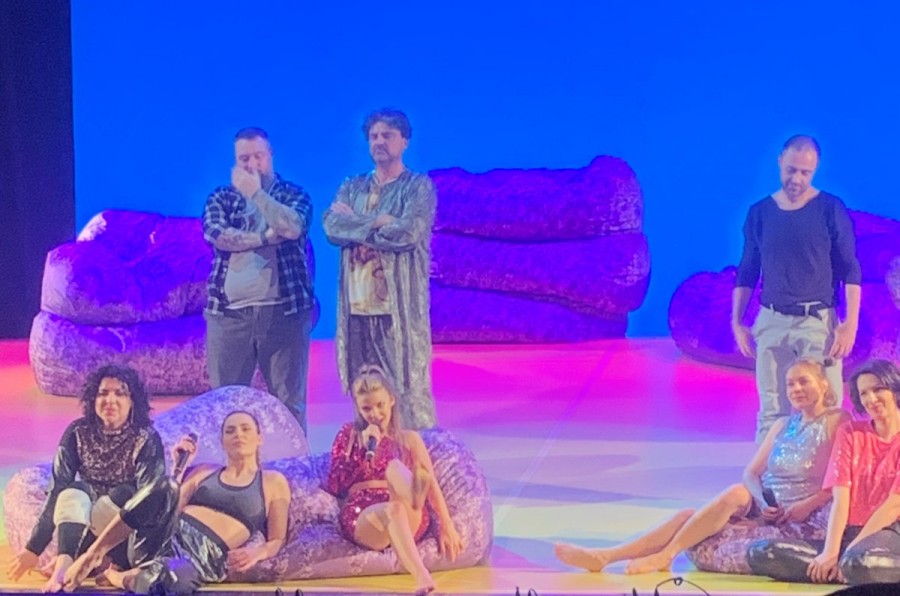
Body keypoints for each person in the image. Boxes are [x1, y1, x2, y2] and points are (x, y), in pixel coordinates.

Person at [555, 359, 848, 574]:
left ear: (824, 384)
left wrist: (808, 504)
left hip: (802, 516)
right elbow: (751, 473)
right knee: (715, 502)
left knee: (708, 512)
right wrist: (761, 501)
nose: (796, 389)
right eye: (790, 384)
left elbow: (843, 478)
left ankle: (663, 555)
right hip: (768, 508)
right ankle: (607, 556)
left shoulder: (837, 420)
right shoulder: (782, 425)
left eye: (804, 382)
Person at [60, 410, 290, 595]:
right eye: (230, 430)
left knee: (175, 582)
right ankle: (93, 554)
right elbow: (168, 504)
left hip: (199, 557)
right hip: (164, 536)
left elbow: (277, 539)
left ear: (259, 438)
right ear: (222, 441)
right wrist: (178, 466)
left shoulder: (273, 481)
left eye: (245, 428)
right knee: (163, 486)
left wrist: (258, 553)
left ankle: (119, 576)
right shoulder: (204, 471)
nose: (238, 434)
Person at [731, 135, 861, 443]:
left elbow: (850, 268)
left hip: (816, 321)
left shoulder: (829, 209)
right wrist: (737, 322)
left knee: (825, 405)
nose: (797, 179)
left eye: (805, 172)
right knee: (771, 407)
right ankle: (768, 471)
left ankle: (826, 471)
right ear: (780, 161)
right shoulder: (760, 213)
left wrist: (850, 323)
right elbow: (747, 270)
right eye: (791, 170)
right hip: (772, 320)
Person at [323, 109, 437, 430]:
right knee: (365, 390)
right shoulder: (353, 186)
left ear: (405, 141)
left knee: (404, 389)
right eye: (374, 136)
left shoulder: (417, 187)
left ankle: (415, 450)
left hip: (395, 311)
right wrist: (378, 222)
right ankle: (370, 453)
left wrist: (355, 223)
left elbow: (407, 232)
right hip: (357, 308)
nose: (379, 142)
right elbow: (332, 226)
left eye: (387, 135)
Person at [5, 365, 165, 593]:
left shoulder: (146, 438)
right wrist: (33, 549)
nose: (110, 400)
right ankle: (64, 566)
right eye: (103, 393)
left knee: (126, 494)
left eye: (120, 394)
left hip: (123, 533)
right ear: (93, 399)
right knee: (73, 490)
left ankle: (89, 562)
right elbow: (57, 489)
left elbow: (149, 500)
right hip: (86, 521)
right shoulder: (77, 432)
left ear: (133, 402)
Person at [748, 359, 900, 585]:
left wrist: (850, 551)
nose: (871, 399)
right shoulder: (850, 433)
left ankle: (849, 568)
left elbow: (893, 506)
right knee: (763, 552)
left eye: (878, 389)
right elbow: (840, 499)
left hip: (889, 532)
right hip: (848, 533)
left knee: (858, 562)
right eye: (864, 393)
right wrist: (831, 551)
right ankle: (840, 570)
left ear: (895, 389)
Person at [202, 127, 315, 432]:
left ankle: (293, 461)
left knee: (289, 403)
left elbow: (292, 227)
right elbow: (217, 235)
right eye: (244, 159)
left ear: (271, 155)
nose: (252, 165)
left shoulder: (293, 194)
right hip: (229, 316)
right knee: (225, 403)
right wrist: (265, 237)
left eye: (259, 156)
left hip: (284, 313)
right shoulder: (221, 197)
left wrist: (256, 194)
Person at [324, 365, 462, 595]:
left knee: (395, 468)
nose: (375, 413)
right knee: (392, 509)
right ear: (358, 407)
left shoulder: (409, 439)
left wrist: (447, 525)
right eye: (367, 408)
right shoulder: (349, 435)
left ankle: (414, 493)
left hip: (408, 509)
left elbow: (432, 485)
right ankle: (422, 576)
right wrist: (365, 450)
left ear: (391, 400)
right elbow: (335, 484)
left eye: (380, 405)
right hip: (365, 513)